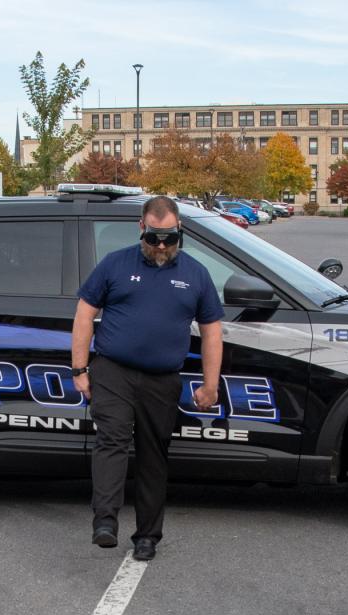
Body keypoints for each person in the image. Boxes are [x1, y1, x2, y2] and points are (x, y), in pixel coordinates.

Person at [71, 195, 224, 561]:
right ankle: (105, 522)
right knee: (112, 440)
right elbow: (83, 315)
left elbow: (212, 332)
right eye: (154, 237)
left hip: (162, 379)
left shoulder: (195, 274)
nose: (160, 245)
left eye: (169, 238)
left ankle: (147, 537)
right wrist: (79, 369)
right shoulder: (115, 265)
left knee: (154, 455)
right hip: (113, 371)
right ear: (141, 227)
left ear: (179, 230)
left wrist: (210, 384)